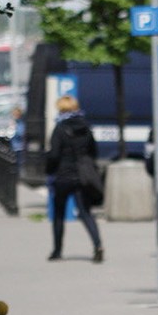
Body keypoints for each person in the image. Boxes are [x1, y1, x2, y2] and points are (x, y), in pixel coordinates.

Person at [45, 95, 103, 263]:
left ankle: (57, 250)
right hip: (82, 176)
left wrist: (49, 170)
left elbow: (54, 154)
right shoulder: (86, 127)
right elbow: (94, 151)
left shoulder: (60, 128)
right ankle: (97, 245)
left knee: (58, 214)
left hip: (63, 176)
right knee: (85, 213)